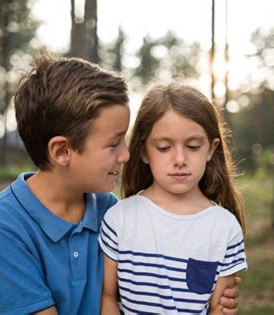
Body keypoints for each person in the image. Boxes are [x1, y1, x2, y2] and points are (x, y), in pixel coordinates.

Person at [0, 56, 241, 315]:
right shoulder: (3, 224)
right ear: (62, 151)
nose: (126, 155)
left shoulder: (111, 211)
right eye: (114, 143)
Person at [99, 83, 247, 315]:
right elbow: (107, 298)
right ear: (145, 151)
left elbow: (220, 308)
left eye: (193, 146)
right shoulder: (119, 219)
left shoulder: (225, 228)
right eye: (164, 147)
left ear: (210, 148)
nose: (179, 159)